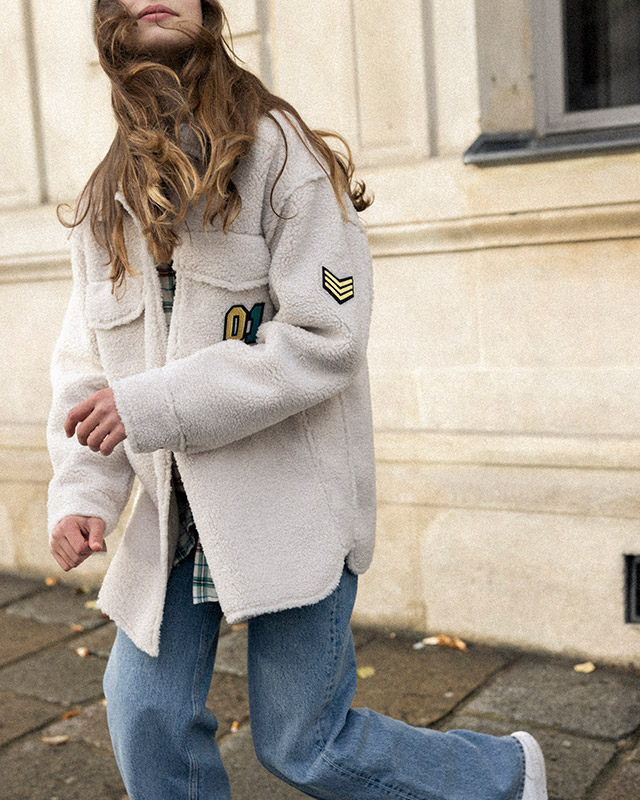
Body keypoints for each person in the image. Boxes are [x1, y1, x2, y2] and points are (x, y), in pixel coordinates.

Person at [46, 2, 549, 799]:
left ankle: (503, 776)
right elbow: (86, 373)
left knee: (304, 742)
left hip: (292, 498)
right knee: (143, 713)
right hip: (174, 514)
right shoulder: (106, 196)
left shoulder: (282, 153)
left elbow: (327, 336)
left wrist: (155, 404)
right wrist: (82, 493)